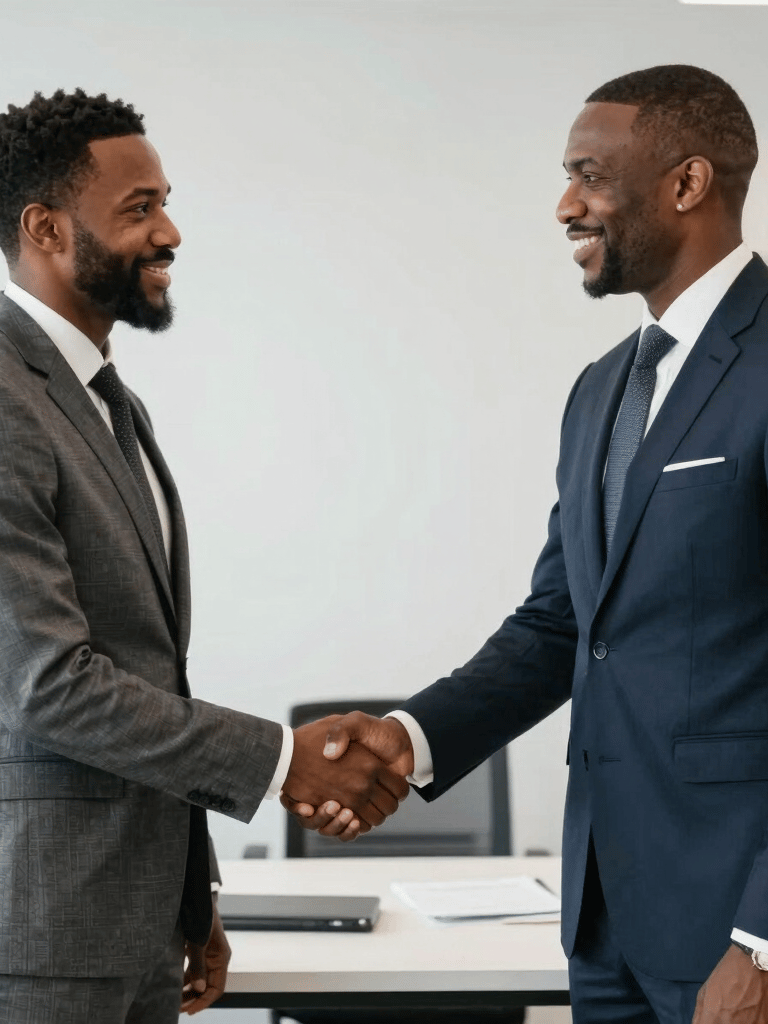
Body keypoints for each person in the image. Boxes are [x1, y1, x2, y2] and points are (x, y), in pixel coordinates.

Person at [287, 65, 768, 1023]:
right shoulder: (602, 390)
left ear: (687, 183)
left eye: (588, 174)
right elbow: (563, 625)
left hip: (733, 932)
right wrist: (408, 740)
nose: (564, 204)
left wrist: (763, 936)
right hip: (605, 922)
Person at [0, 88, 408, 1024]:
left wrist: (195, 895)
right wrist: (280, 759)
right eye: (140, 208)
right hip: (38, 941)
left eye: (165, 202)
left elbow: (154, 673)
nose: (171, 230)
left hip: (132, 925)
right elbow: (47, 683)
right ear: (46, 228)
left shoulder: (109, 401)